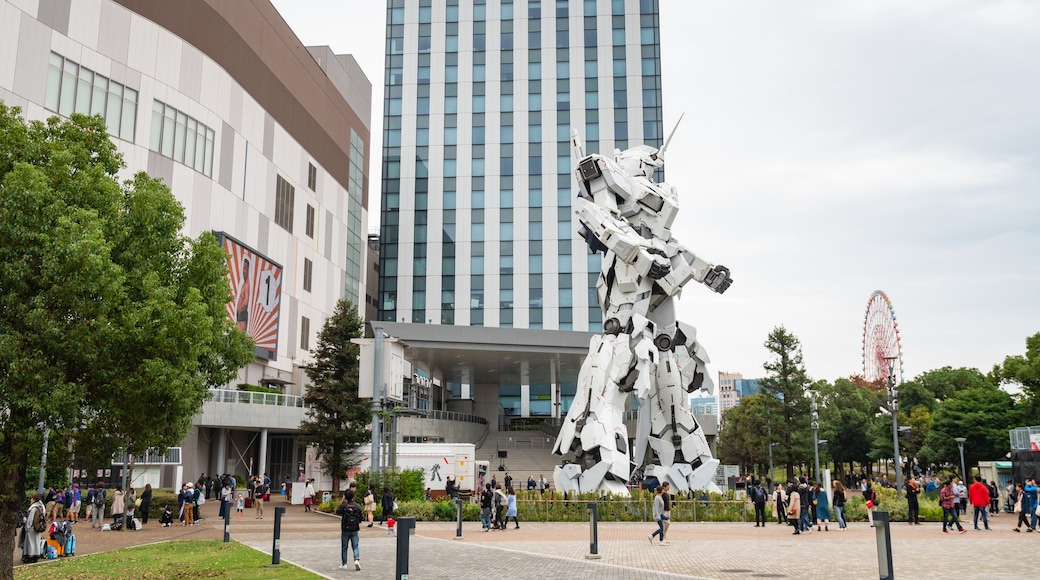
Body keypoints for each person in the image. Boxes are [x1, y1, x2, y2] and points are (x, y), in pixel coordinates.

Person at [336, 489, 363, 571]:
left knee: (344, 547)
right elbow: (361, 517)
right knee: (355, 546)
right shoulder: (357, 506)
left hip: (345, 528)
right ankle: (356, 559)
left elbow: (337, 511)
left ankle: (344, 564)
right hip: (355, 529)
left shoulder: (344, 505)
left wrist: (342, 501)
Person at [21, 493, 45, 563]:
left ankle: (30, 556)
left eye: (31, 499)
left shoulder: (33, 508)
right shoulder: (41, 507)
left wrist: (27, 527)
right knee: (36, 542)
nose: (30, 500)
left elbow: (30, 519)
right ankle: (36, 555)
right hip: (38, 527)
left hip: (31, 528)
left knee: (30, 542)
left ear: (34, 500)